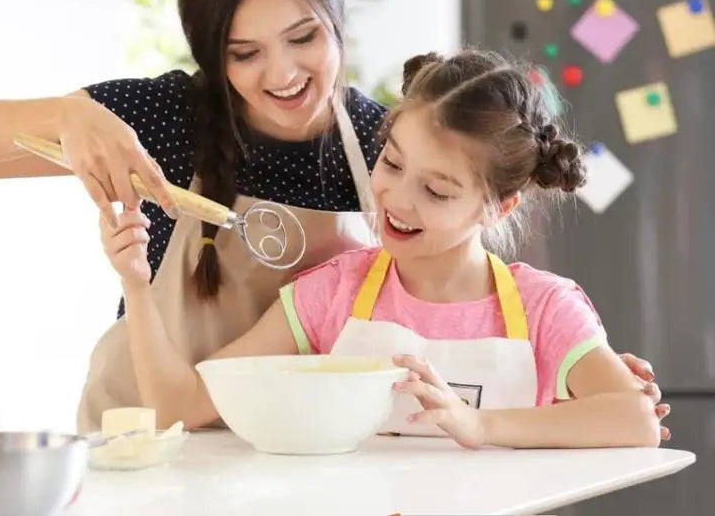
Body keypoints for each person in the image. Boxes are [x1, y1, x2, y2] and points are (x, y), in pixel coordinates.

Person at [0, 0, 664, 435]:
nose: (284, 73)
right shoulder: (164, 121)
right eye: (245, 52)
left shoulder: (377, 142)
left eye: (304, 37)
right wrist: (63, 115)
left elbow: (444, 290)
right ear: (209, 54)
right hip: (148, 446)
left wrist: (568, 373)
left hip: (291, 465)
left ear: (336, 18)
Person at [100, 49, 671, 449]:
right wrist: (135, 282)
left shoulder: (545, 309)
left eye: (437, 190)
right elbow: (181, 408)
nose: (397, 198)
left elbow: (634, 418)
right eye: (393, 162)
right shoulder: (333, 294)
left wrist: (481, 425)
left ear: (499, 207)